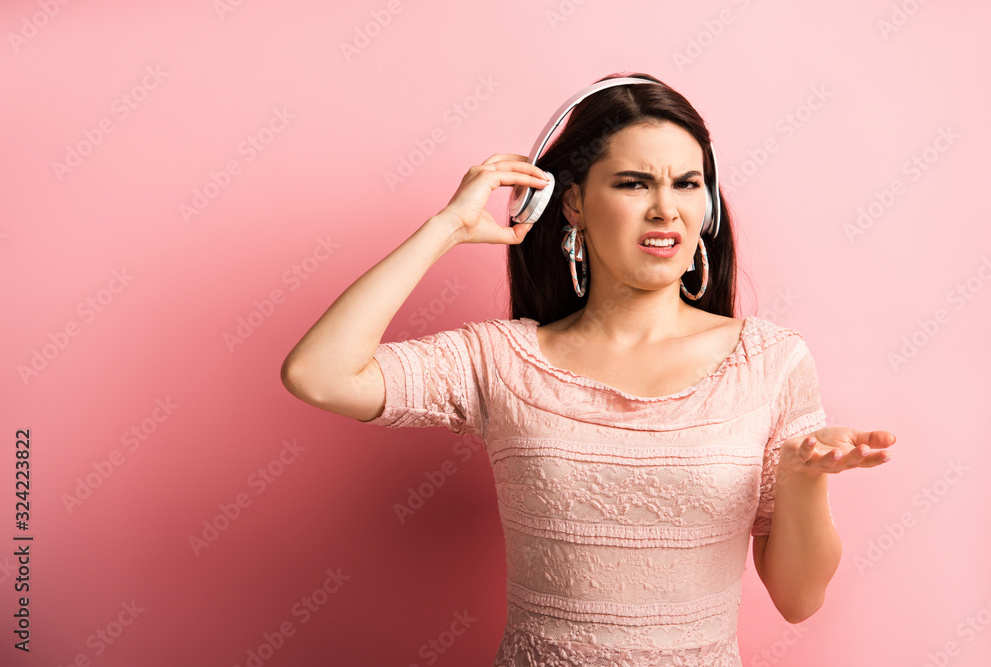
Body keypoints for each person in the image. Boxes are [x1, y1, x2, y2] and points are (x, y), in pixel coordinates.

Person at [280, 71, 896, 666]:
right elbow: (319, 374)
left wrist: (802, 476)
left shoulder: (770, 360)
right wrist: (446, 228)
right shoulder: (500, 361)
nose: (666, 210)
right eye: (633, 184)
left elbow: (798, 599)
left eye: (687, 184)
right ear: (572, 202)